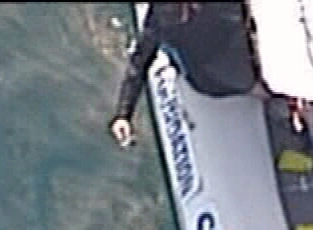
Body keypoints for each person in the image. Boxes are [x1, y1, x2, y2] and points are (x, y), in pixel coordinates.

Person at [109, 2, 261, 148]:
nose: (175, 17)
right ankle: (261, 92)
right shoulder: (158, 23)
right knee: (220, 79)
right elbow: (138, 65)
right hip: (212, 68)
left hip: (234, 32)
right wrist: (123, 115)